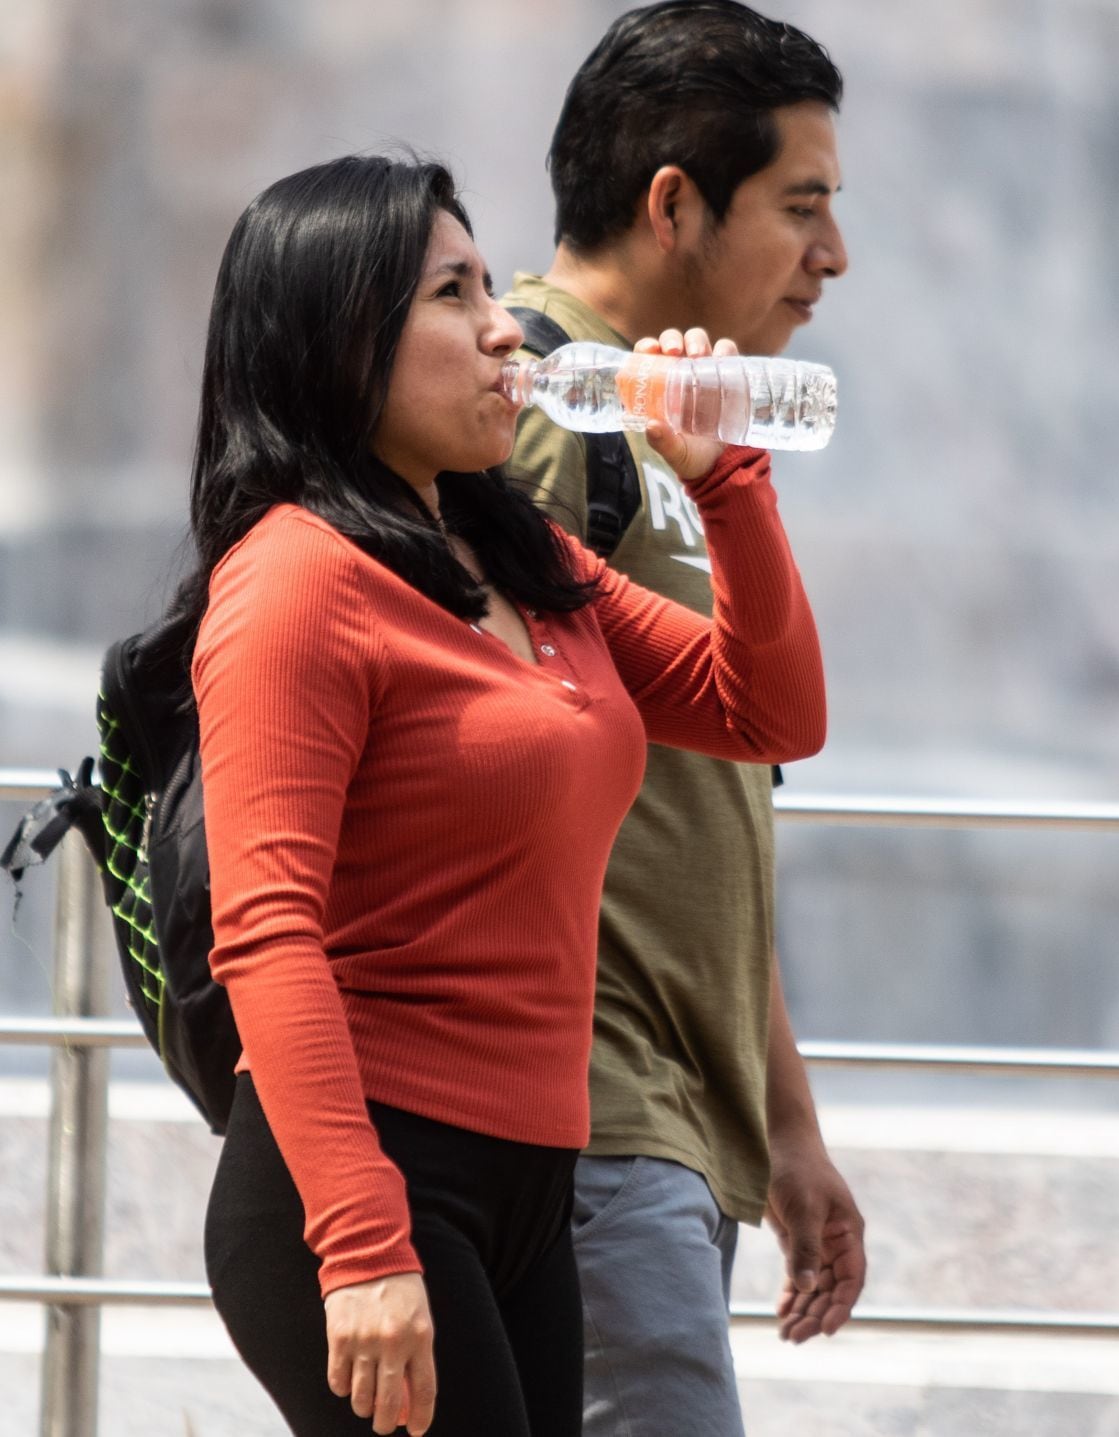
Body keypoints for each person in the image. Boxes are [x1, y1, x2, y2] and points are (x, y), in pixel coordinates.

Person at [173, 152, 825, 1437]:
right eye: (450, 293)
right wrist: (361, 1247)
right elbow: (268, 933)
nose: (498, 330)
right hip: (368, 1185)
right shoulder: (295, 582)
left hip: (532, 1179)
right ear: (337, 338)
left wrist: (727, 481)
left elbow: (768, 716)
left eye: (488, 283)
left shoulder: (522, 558)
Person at [500, 5, 861, 1430]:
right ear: (673, 203)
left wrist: (785, 1120)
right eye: (803, 205)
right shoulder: (537, 409)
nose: (833, 256)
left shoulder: (663, 430)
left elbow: (712, 795)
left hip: (664, 1132)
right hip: (584, 1118)